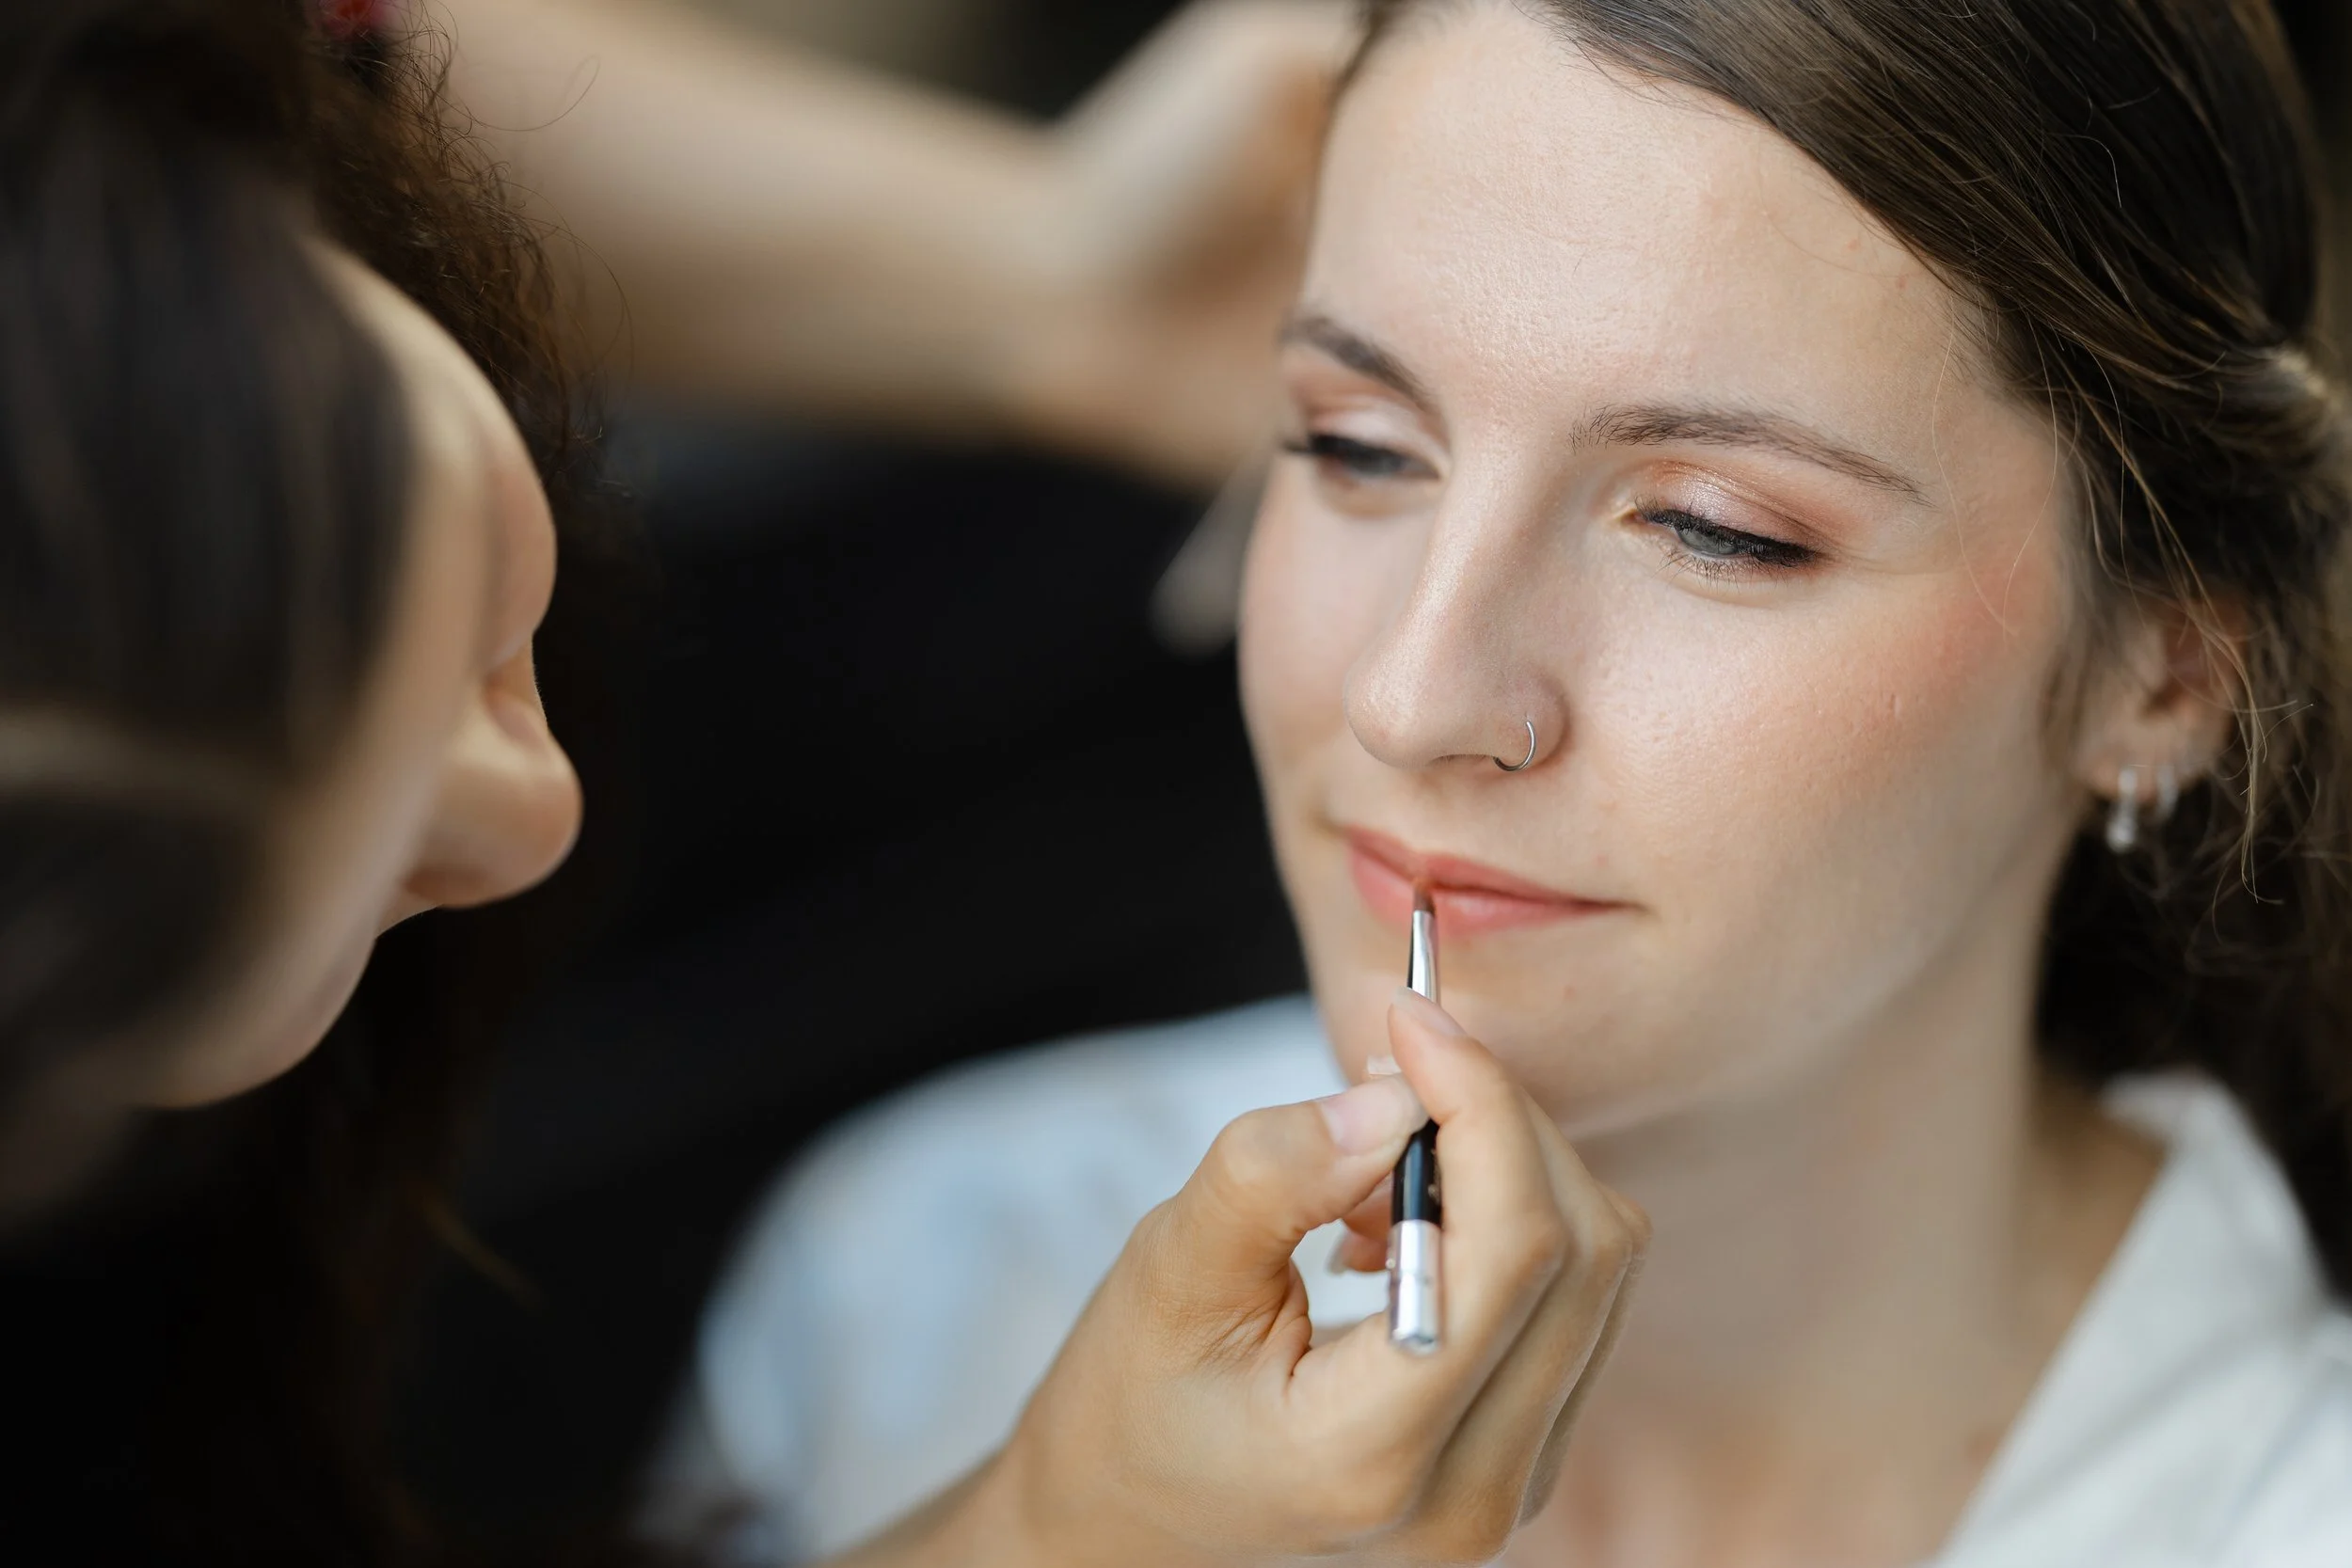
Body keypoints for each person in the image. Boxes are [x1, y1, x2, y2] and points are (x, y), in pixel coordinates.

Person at [675, 0, 2352, 1563]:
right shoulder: (925, 1289)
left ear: (2168, 674)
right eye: (1358, 446)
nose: (1411, 695)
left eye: (1718, 528)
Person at [0, 1, 1643, 1562]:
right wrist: (1049, 1528)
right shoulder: (895, 1286)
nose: (546, 822)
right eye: (358, 902)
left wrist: (1050, 270)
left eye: (1731, 528)